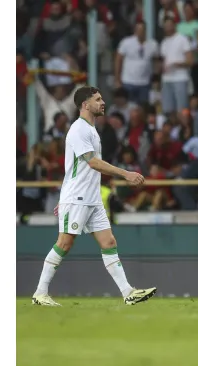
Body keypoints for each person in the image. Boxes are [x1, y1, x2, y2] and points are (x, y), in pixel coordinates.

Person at [31, 86, 157, 307]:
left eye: (102, 98)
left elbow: (76, 167)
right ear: (85, 105)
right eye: (97, 99)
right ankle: (40, 293)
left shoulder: (90, 129)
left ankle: (128, 292)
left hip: (92, 198)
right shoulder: (79, 129)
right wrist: (125, 173)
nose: (102, 103)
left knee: (109, 242)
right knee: (65, 243)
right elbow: (92, 162)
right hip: (78, 197)